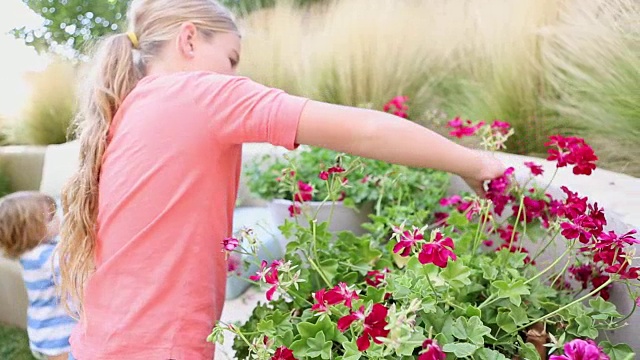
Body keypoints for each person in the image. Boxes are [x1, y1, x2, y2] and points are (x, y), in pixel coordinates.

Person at [56, 0, 506, 359]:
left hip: (100, 342)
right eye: (231, 58)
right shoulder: (203, 93)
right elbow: (365, 129)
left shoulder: (129, 109)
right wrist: (471, 163)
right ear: (189, 39)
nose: (235, 73)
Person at [0, 191, 76, 360]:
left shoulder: (37, 251)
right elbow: (74, 259)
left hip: (50, 328)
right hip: (55, 331)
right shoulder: (39, 258)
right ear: (30, 229)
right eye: (50, 218)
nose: (57, 219)